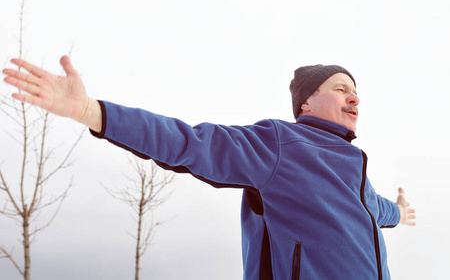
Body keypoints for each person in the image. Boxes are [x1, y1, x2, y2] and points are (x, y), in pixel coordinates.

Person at [3, 56, 415, 280]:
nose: (354, 98)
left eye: (357, 92)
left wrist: (398, 208)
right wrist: (92, 112)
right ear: (306, 103)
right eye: (341, 88)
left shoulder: (357, 175)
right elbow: (191, 142)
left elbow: (379, 211)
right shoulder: (281, 146)